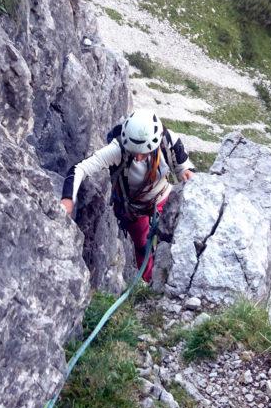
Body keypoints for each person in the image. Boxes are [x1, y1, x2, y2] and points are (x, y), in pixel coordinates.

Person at [60, 108, 195, 281]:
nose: (138, 158)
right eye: (134, 152)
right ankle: (150, 283)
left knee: (172, 239)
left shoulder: (167, 141)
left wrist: (188, 174)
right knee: (142, 245)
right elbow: (79, 169)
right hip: (134, 209)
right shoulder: (117, 149)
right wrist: (67, 199)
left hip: (164, 198)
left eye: (143, 153)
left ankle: (173, 279)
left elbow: (184, 167)